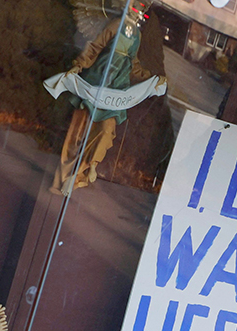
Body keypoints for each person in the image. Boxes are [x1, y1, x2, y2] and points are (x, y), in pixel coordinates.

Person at [50, 5, 161, 194]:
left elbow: (133, 64)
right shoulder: (115, 25)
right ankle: (60, 181)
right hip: (95, 85)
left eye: (140, 10)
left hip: (115, 92)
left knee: (106, 131)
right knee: (76, 134)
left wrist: (151, 79)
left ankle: (81, 174)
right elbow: (95, 47)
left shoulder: (137, 36)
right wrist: (79, 65)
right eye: (134, 7)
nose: (137, 12)